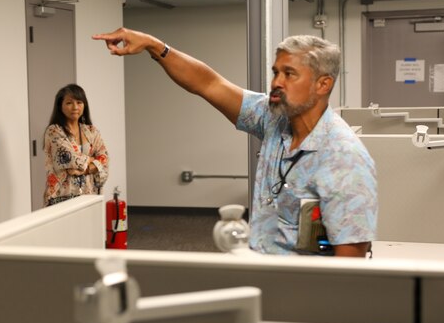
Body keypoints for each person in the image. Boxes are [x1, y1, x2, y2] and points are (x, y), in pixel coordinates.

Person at [93, 28, 376, 257]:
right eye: (276, 72)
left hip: (301, 294)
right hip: (262, 276)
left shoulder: (344, 157)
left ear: (323, 84)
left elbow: (349, 262)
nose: (277, 82)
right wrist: (154, 46)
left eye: (289, 74)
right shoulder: (273, 119)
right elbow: (209, 84)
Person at [43, 84, 109, 206]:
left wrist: (85, 168)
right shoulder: (54, 131)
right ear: (60, 106)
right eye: (69, 103)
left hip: (89, 195)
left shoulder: (91, 131)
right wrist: (93, 161)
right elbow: (70, 159)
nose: (75, 107)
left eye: (79, 102)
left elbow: (105, 160)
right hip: (62, 196)